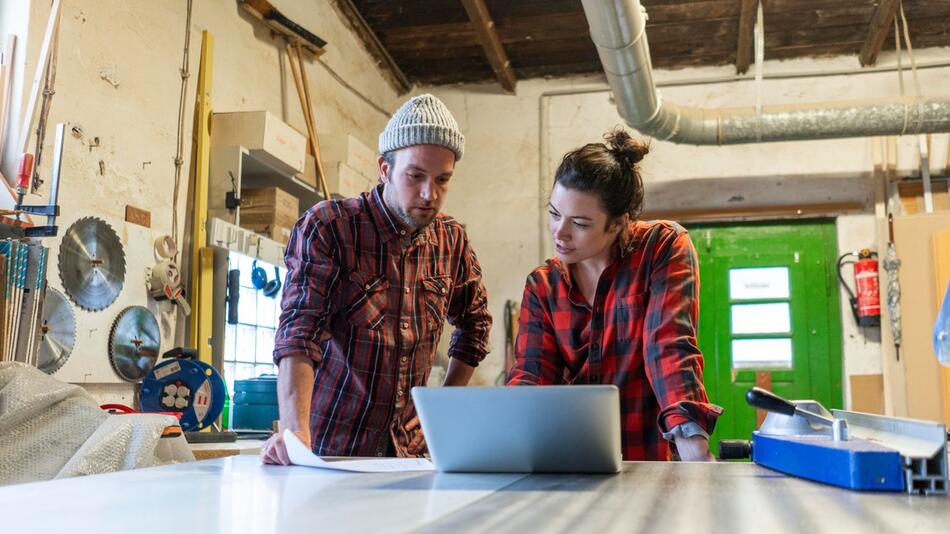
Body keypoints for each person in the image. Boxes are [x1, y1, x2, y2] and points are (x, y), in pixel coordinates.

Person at [262, 94, 491, 464]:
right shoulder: (330, 227)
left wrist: (443, 412)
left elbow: (475, 325)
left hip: (413, 455)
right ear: (385, 169)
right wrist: (295, 432)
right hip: (333, 450)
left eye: (443, 180)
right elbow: (299, 332)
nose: (430, 194)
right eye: (415, 176)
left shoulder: (452, 241)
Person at [507, 129, 722, 461]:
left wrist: (693, 446)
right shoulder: (543, 284)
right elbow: (533, 376)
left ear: (618, 223)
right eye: (553, 214)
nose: (559, 233)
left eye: (579, 223)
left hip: (649, 460)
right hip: (574, 462)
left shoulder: (662, 248)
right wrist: (506, 436)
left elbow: (668, 345)